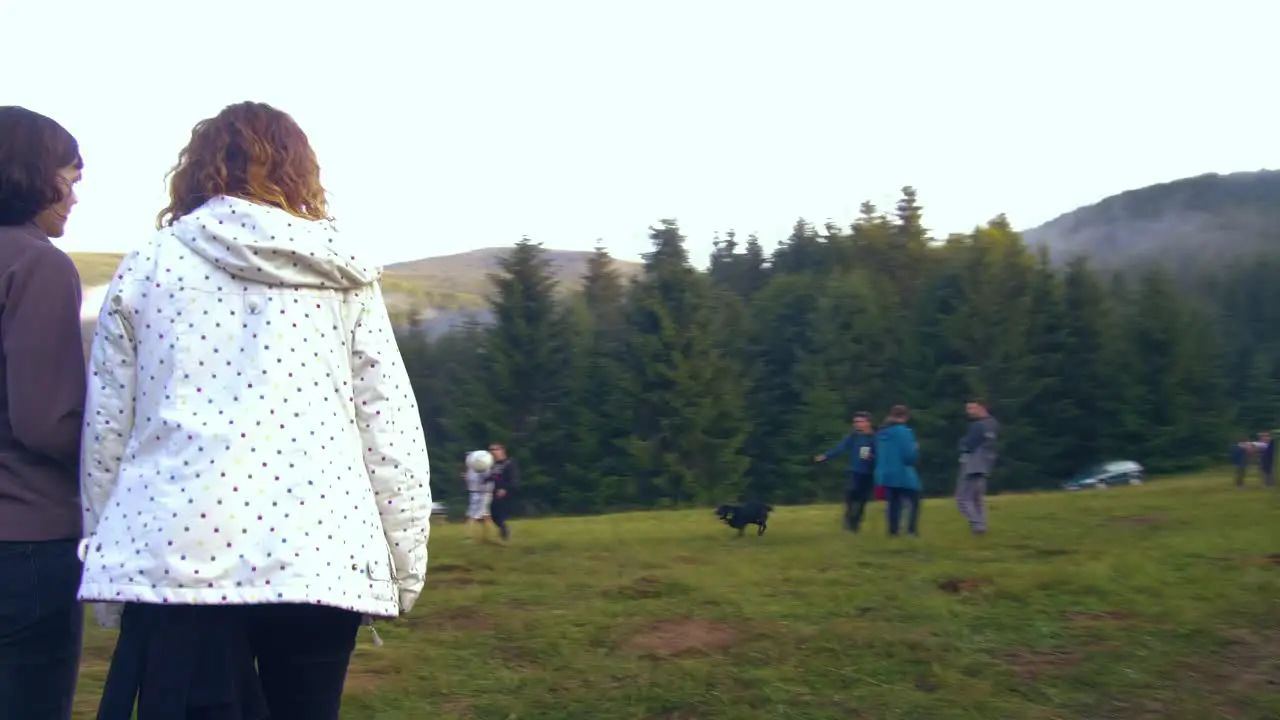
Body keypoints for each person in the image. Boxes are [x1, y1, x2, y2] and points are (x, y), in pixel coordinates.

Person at [78, 102, 432, 720]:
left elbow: (107, 430)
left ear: (196, 172)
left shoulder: (147, 267)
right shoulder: (342, 274)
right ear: (301, 171)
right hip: (321, 554)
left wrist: (115, 575)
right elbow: (389, 429)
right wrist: (403, 570)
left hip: (176, 555)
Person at [0, 106, 87, 720]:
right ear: (31, 175)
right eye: (70, 177)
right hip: (25, 544)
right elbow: (45, 421)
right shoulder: (37, 264)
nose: (75, 197)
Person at [814, 412, 877, 532]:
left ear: (868, 422)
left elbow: (881, 454)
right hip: (854, 471)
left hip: (868, 472)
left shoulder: (874, 437)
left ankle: (856, 523)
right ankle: (848, 519)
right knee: (850, 495)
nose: (857, 425)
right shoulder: (853, 436)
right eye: (856, 422)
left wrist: (872, 457)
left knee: (862, 500)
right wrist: (826, 456)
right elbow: (841, 448)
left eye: (861, 422)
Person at [874, 405, 921, 537]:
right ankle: (911, 531)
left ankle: (892, 531)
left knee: (894, 502)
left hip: (886, 474)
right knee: (914, 501)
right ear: (905, 416)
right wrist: (915, 451)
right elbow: (908, 455)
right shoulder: (904, 431)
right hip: (903, 473)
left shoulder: (881, 432)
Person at [956, 398, 999, 535]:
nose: (969, 412)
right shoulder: (993, 424)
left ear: (982, 408)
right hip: (986, 463)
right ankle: (982, 524)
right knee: (977, 499)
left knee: (963, 498)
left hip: (972, 464)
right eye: (968, 409)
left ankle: (977, 525)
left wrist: (962, 443)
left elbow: (967, 444)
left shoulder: (977, 425)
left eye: (972, 408)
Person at [487, 443, 519, 543]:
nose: (492, 452)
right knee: (493, 514)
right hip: (495, 493)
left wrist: (505, 489)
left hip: (507, 493)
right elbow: (492, 477)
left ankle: (504, 533)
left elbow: (514, 480)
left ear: (502, 451)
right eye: (491, 450)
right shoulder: (494, 465)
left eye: (495, 449)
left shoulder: (509, 464)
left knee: (499, 513)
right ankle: (504, 529)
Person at [463, 452, 494, 541]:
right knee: (484, 516)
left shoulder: (483, 468)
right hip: (477, 493)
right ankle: (488, 535)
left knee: (473, 515)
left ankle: (469, 536)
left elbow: (486, 480)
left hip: (482, 494)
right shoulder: (471, 470)